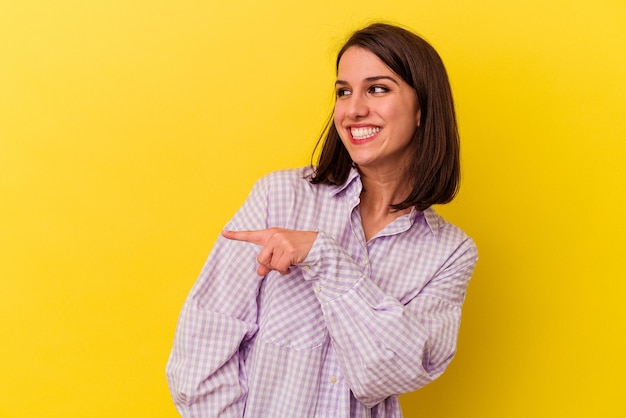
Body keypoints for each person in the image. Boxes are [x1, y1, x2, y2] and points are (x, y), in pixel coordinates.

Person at [166, 22, 478, 417]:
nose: (353, 109)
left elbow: (381, 376)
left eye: (377, 88)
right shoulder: (278, 198)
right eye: (343, 91)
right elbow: (202, 350)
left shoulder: (448, 253)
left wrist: (324, 257)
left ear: (422, 110)